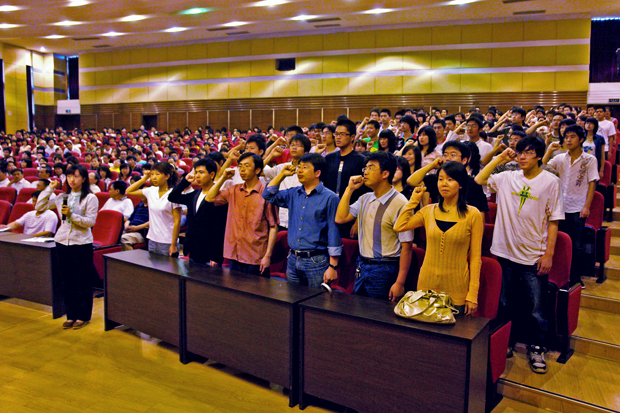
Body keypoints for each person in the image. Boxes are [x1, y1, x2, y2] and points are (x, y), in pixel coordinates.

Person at [475, 137, 564, 374]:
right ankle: (507, 342)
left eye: (528, 152)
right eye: (519, 152)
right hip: (504, 253)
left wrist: (549, 255)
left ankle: (537, 347)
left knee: (535, 308)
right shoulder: (507, 177)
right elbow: (479, 179)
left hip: (533, 255)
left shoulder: (550, 181)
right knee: (505, 303)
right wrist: (500, 159)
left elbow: (554, 221)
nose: (522, 156)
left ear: (539, 156)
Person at [395, 161, 483, 314]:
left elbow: (475, 258)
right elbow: (399, 226)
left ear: (461, 184)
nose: (444, 184)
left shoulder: (472, 214)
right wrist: (413, 201)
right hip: (426, 284)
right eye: (440, 179)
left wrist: (472, 294)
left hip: (456, 288)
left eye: (450, 179)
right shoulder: (429, 211)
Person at [335, 152, 413, 301]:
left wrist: (400, 282)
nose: (365, 172)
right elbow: (340, 218)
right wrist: (349, 189)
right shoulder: (365, 198)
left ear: (385, 174)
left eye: (371, 168)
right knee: (357, 309)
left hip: (385, 268)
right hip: (362, 264)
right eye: (365, 168)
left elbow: (407, 247)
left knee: (378, 313)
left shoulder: (401, 203)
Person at [263, 153, 342, 287]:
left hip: (316, 260)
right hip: (293, 258)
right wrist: (282, 175)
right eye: (299, 167)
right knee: (292, 298)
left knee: (316, 298)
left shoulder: (330, 197)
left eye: (304, 167)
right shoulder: (294, 193)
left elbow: (334, 232)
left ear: (317, 173)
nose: (299, 171)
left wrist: (333, 266)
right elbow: (268, 195)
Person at [35, 165, 99, 330]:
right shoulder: (62, 197)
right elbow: (39, 206)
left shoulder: (90, 198)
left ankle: (83, 316)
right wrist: (49, 189)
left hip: (81, 242)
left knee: (82, 280)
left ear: (83, 179)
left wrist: (72, 215)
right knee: (66, 280)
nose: (72, 180)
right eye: (69, 176)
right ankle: (71, 314)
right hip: (62, 241)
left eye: (76, 176)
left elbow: (90, 222)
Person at [543, 125, 599, 287]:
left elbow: (592, 183)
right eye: (566, 137)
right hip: (559, 207)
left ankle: (575, 279)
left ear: (581, 139)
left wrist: (586, 206)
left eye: (572, 137)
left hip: (577, 207)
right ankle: (557, 277)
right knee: (556, 243)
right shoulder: (560, 158)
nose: (568, 140)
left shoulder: (589, 159)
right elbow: (542, 167)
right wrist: (548, 149)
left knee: (576, 246)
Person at [206, 153, 278, 276]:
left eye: (246, 166)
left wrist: (267, 256)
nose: (242, 169)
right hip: (235, 253)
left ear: (257, 170)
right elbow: (209, 198)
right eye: (240, 166)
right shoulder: (234, 190)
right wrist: (223, 178)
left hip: (256, 256)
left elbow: (273, 226)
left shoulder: (266, 193)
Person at [169, 158, 228, 265]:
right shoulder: (194, 194)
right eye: (196, 172)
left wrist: (216, 256)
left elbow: (220, 228)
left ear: (212, 174)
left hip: (209, 252)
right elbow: (172, 197)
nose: (197, 176)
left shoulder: (220, 196)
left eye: (201, 172)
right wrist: (185, 182)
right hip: (192, 248)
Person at [407, 141, 488, 218]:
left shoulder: (473, 183)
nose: (447, 158)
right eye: (445, 155)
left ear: (464, 160)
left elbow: (480, 213)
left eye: (453, 155)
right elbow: (411, 181)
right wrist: (432, 165)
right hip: (437, 221)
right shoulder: (436, 179)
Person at [126, 162, 182, 256]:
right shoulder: (151, 191)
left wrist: (173, 244)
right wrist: (144, 179)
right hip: (152, 239)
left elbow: (177, 221)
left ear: (167, 176)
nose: (154, 177)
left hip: (167, 241)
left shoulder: (173, 194)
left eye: (157, 174)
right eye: (152, 174)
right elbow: (129, 191)